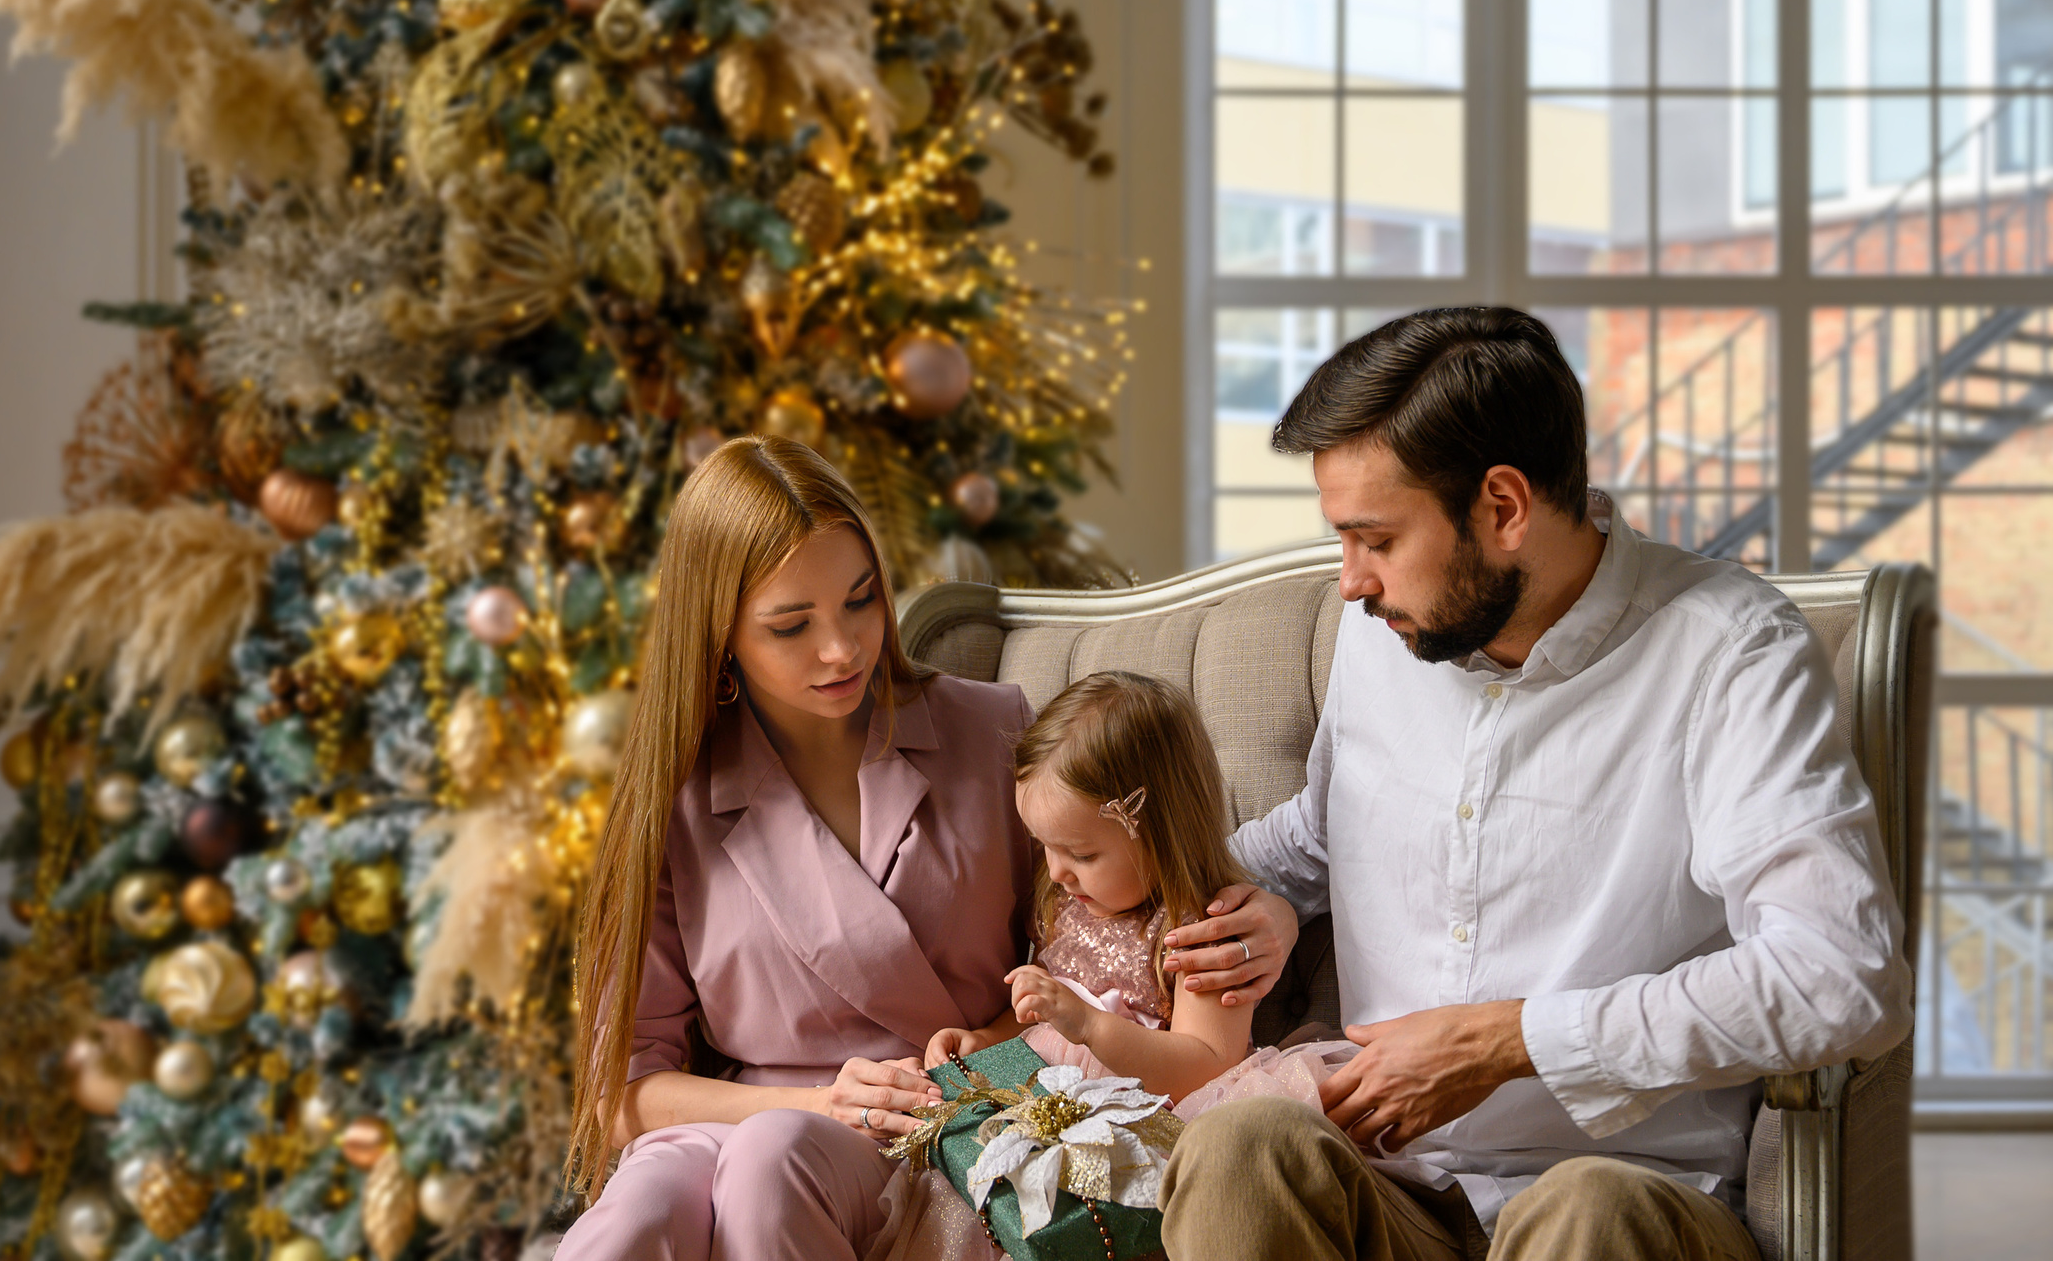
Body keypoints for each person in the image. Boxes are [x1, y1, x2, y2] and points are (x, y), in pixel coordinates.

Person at [1155, 306, 1913, 1260]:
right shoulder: (1382, 633)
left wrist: (1508, 1041)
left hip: (1628, 1197)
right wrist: (1270, 898)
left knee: (1585, 1208)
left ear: (1504, 508)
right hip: (1390, 1188)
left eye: (1376, 540)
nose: (1350, 581)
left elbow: (1843, 976)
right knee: (1238, 1149)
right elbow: (1328, 824)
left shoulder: (1732, 651)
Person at [560, 438, 1293, 1261]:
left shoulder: (992, 729)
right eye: (791, 625)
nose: (842, 649)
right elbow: (621, 1096)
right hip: (736, 1117)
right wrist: (816, 1101)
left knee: (771, 1164)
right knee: (633, 1220)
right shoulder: (667, 794)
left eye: (862, 600)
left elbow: (1121, 892)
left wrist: (1268, 909)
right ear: (718, 630)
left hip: (937, 1115)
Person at [925, 671, 1358, 1121]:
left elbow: (1208, 1066)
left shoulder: (1201, 931)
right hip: (1047, 1111)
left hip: (1152, 1123)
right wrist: (984, 1040)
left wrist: (1090, 1026)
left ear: (1165, 835)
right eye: (1044, 845)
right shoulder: (1067, 905)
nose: (1056, 872)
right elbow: (1038, 1013)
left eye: (1082, 854)